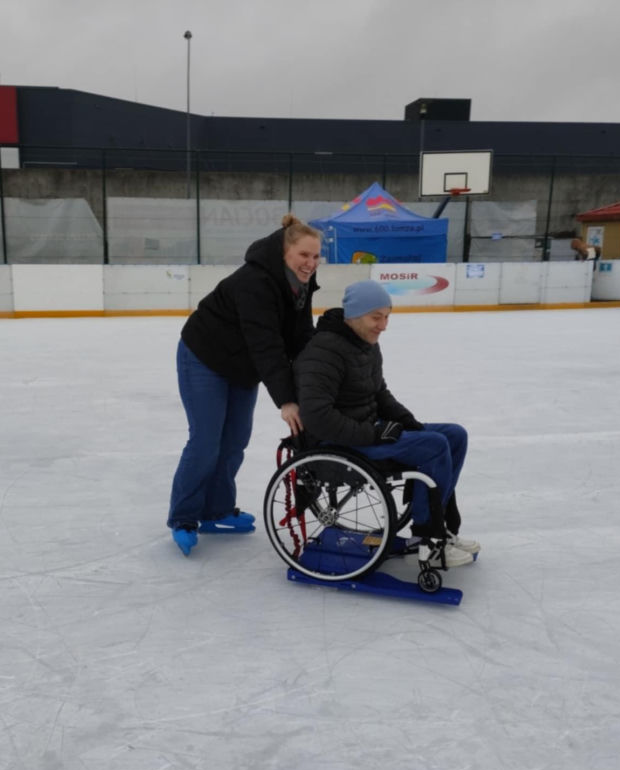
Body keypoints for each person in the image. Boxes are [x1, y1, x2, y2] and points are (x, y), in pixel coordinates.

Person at [293, 280, 480, 566]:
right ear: (354, 315)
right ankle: (427, 537)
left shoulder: (365, 344)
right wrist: (375, 433)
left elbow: (379, 393)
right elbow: (318, 417)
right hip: (339, 441)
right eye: (376, 317)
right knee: (434, 446)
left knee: (454, 435)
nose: (383, 325)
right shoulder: (324, 351)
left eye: (387, 316)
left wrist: (408, 421)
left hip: (366, 429)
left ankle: (436, 527)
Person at [167, 215, 322, 555]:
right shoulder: (255, 282)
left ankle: (216, 510)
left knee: (235, 440)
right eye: (303, 256)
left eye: (315, 256)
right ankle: (184, 517)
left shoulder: (302, 280)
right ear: (285, 251)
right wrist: (286, 401)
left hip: (242, 366)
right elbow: (266, 345)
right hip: (204, 357)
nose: (310, 264)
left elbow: (299, 335)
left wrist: (317, 374)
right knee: (206, 441)